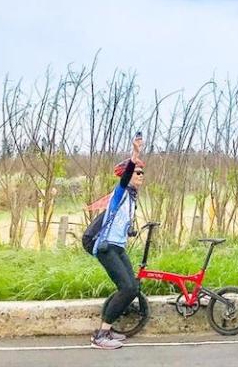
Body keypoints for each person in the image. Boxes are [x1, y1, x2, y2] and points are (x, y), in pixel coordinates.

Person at [90, 135, 145, 349]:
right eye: (137, 173)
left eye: (142, 173)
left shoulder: (131, 198)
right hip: (106, 247)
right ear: (128, 176)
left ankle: (108, 330)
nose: (141, 176)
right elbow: (127, 175)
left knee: (132, 288)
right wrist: (135, 154)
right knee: (126, 288)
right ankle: (100, 336)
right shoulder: (120, 192)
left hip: (117, 247)